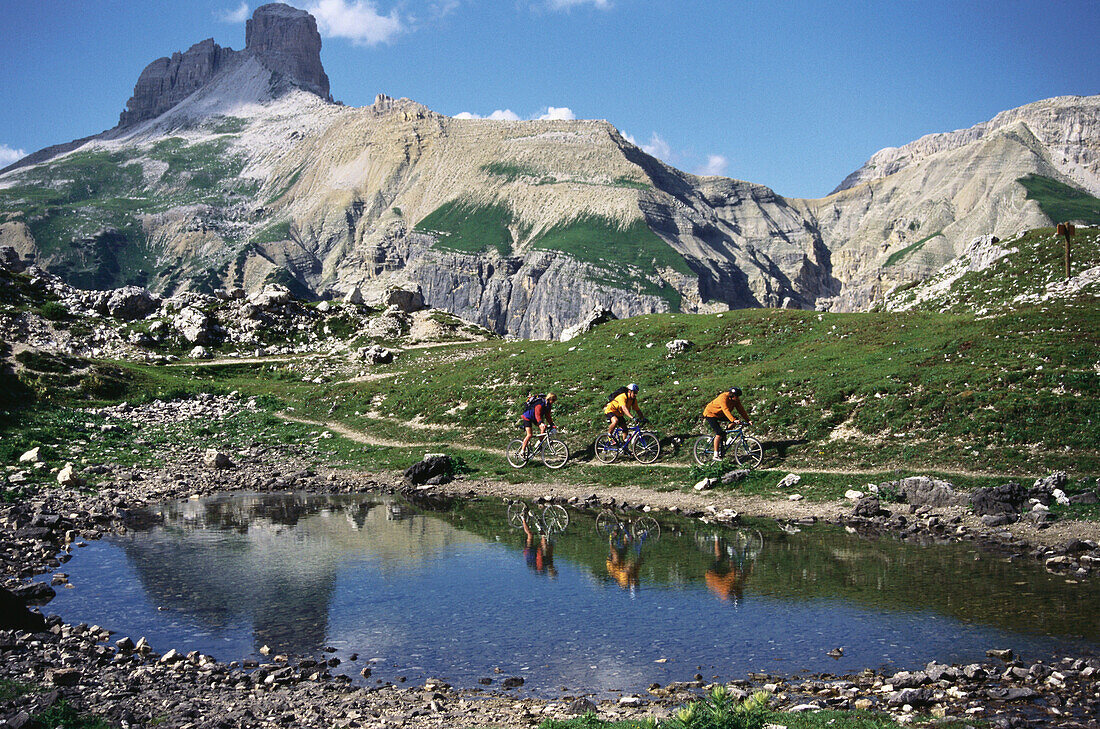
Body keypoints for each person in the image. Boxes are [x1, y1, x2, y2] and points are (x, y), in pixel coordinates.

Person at [702, 387, 751, 461]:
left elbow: (741, 410)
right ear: (732, 395)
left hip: (720, 414)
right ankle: (715, 455)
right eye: (736, 396)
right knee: (719, 433)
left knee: (733, 422)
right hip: (711, 414)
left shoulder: (735, 400)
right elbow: (725, 410)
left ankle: (725, 433)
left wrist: (748, 420)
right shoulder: (723, 397)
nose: (737, 398)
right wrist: (733, 420)